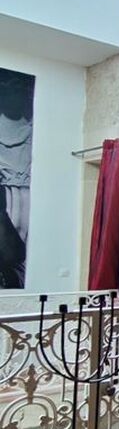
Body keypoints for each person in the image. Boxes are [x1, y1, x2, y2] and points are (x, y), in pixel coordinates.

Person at [0, 71, 34, 288]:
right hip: (6, 190)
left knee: (20, 243)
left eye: (20, 89)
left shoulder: (30, 127)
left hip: (22, 188)